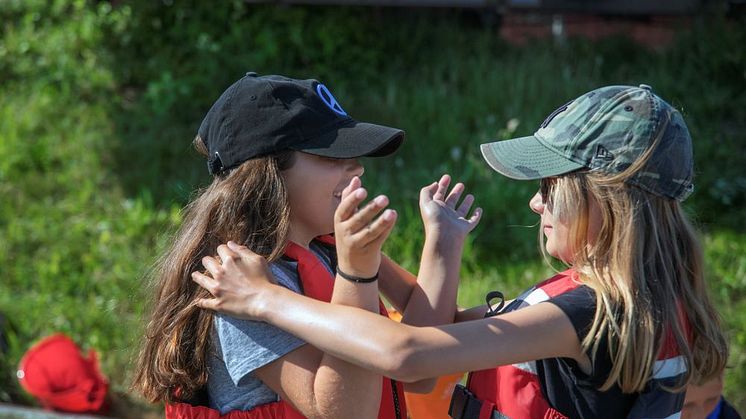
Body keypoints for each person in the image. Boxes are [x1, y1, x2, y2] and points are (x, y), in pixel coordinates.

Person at [192, 84, 730, 418]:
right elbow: (432, 346)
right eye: (331, 157)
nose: (535, 204)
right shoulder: (636, 298)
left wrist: (266, 299)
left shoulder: (589, 312)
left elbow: (407, 356)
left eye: (548, 190)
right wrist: (443, 248)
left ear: (601, 201)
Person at [132, 72, 481, 419]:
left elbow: (421, 368)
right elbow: (345, 412)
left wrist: (443, 242)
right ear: (270, 172)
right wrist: (355, 274)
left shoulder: (326, 249)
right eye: (332, 156)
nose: (357, 167)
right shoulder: (236, 288)